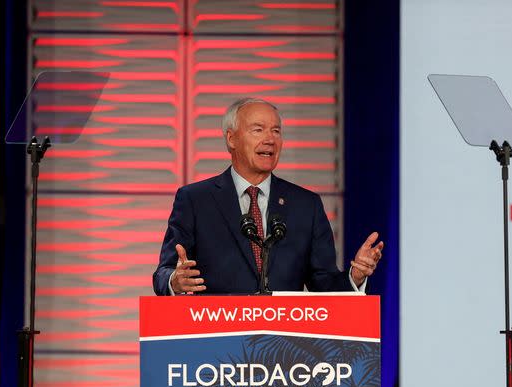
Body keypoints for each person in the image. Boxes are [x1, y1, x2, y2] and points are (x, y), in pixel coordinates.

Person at [153, 98, 383, 295]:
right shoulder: (195, 200)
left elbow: (322, 283)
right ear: (231, 139)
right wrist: (175, 281)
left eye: (276, 131)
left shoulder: (306, 205)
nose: (270, 139)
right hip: (215, 339)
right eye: (258, 129)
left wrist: (355, 276)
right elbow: (162, 274)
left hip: (283, 343)